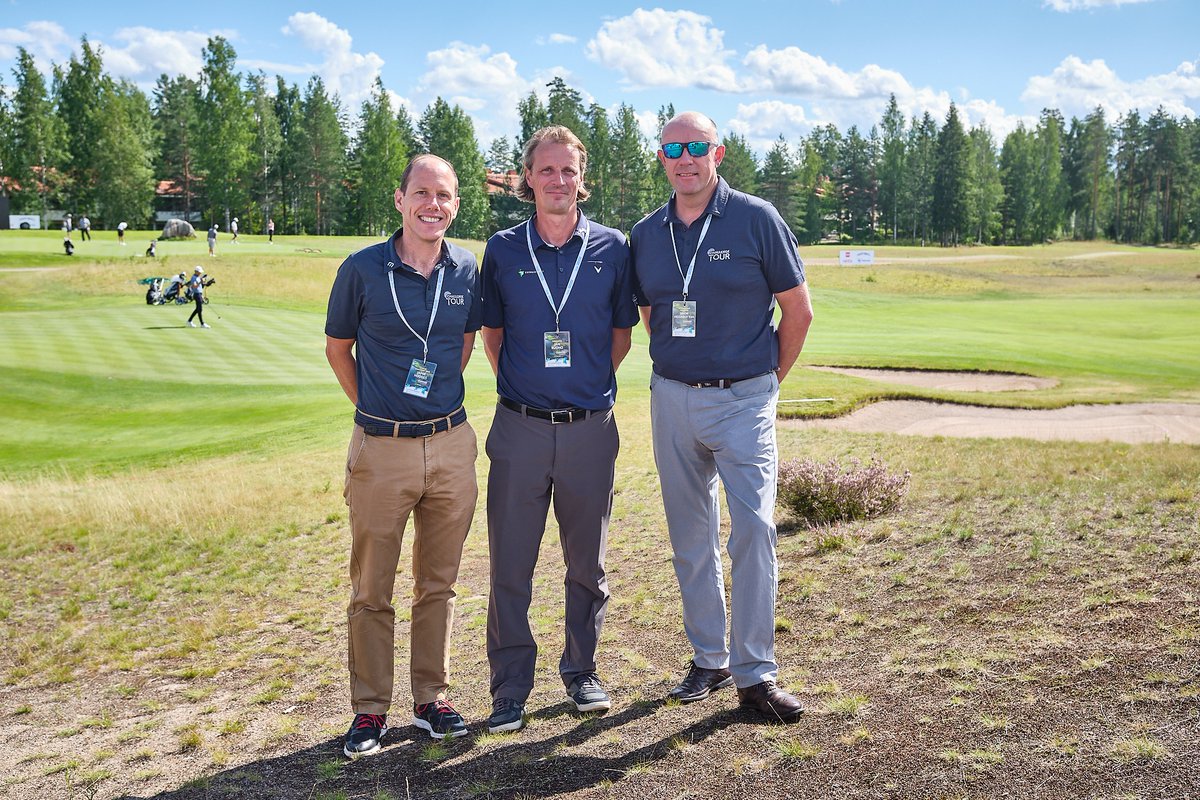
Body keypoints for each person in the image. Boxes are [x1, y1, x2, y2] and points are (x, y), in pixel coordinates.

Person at [630, 111, 814, 723]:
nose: (685, 158)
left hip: (745, 399)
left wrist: (764, 384)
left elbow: (798, 313)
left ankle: (755, 675)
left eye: (696, 147)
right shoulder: (647, 233)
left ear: (719, 152)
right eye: (672, 148)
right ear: (661, 157)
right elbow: (654, 314)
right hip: (672, 398)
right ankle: (708, 657)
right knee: (690, 536)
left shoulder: (756, 218)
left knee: (754, 531)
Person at [480, 125, 638, 734]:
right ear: (527, 180)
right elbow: (493, 338)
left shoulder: (612, 248)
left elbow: (619, 339)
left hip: (589, 429)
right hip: (519, 428)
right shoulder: (503, 250)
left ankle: (582, 672)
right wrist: (532, 393)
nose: (558, 181)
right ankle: (510, 688)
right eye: (545, 171)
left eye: (568, 171)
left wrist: (579, 391)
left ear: (582, 179)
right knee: (509, 566)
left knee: (587, 564)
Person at [325, 154, 482, 757]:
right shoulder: (363, 269)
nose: (432, 205)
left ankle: (430, 699)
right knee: (372, 586)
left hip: (450, 444)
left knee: (438, 583)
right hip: (381, 449)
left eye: (443, 196)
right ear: (400, 200)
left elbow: (462, 344)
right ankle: (369, 709)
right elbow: (340, 349)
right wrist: (376, 409)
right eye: (422, 193)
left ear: (456, 204)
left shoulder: (466, 268)